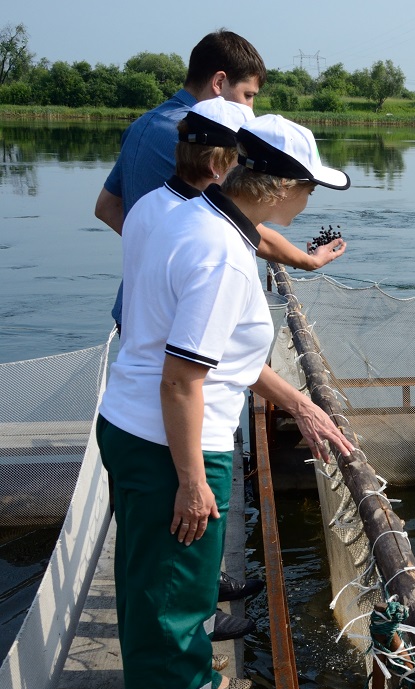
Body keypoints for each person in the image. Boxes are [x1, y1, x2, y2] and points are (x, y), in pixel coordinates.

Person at [96, 113, 355, 689]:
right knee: (174, 605)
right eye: (307, 191)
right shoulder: (222, 254)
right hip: (170, 443)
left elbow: (201, 352)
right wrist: (190, 479)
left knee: (159, 593)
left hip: (136, 426)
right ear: (274, 189)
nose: (307, 206)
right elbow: (184, 377)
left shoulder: (187, 216)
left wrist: (295, 401)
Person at [120, 95, 263, 647]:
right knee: (172, 583)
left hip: (141, 406)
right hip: (170, 424)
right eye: (247, 159)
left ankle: (198, 615)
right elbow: (182, 372)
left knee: (157, 571)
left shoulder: (153, 208)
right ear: (223, 165)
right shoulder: (204, 233)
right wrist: (192, 479)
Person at [95, 30, 347, 329]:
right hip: (185, 315)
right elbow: (232, 219)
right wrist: (308, 261)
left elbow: (107, 207)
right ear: (218, 82)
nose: (250, 109)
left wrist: (160, 255)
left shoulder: (142, 125)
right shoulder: (200, 139)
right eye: (248, 95)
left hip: (136, 307)